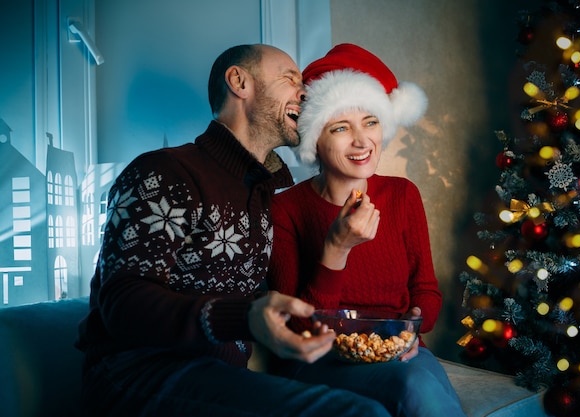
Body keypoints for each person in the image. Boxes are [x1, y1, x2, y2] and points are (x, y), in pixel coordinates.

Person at [76, 44, 394, 417]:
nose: (305, 91)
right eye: (290, 79)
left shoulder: (262, 190)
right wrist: (243, 317)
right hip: (136, 377)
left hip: (222, 378)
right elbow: (122, 303)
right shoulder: (165, 172)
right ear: (239, 81)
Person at [267, 43, 467, 417]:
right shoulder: (285, 209)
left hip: (395, 349)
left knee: (420, 384)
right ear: (315, 141)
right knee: (412, 387)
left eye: (371, 122)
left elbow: (425, 290)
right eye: (340, 128)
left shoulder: (402, 194)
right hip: (318, 356)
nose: (362, 141)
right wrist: (336, 249)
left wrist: (411, 329)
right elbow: (295, 327)